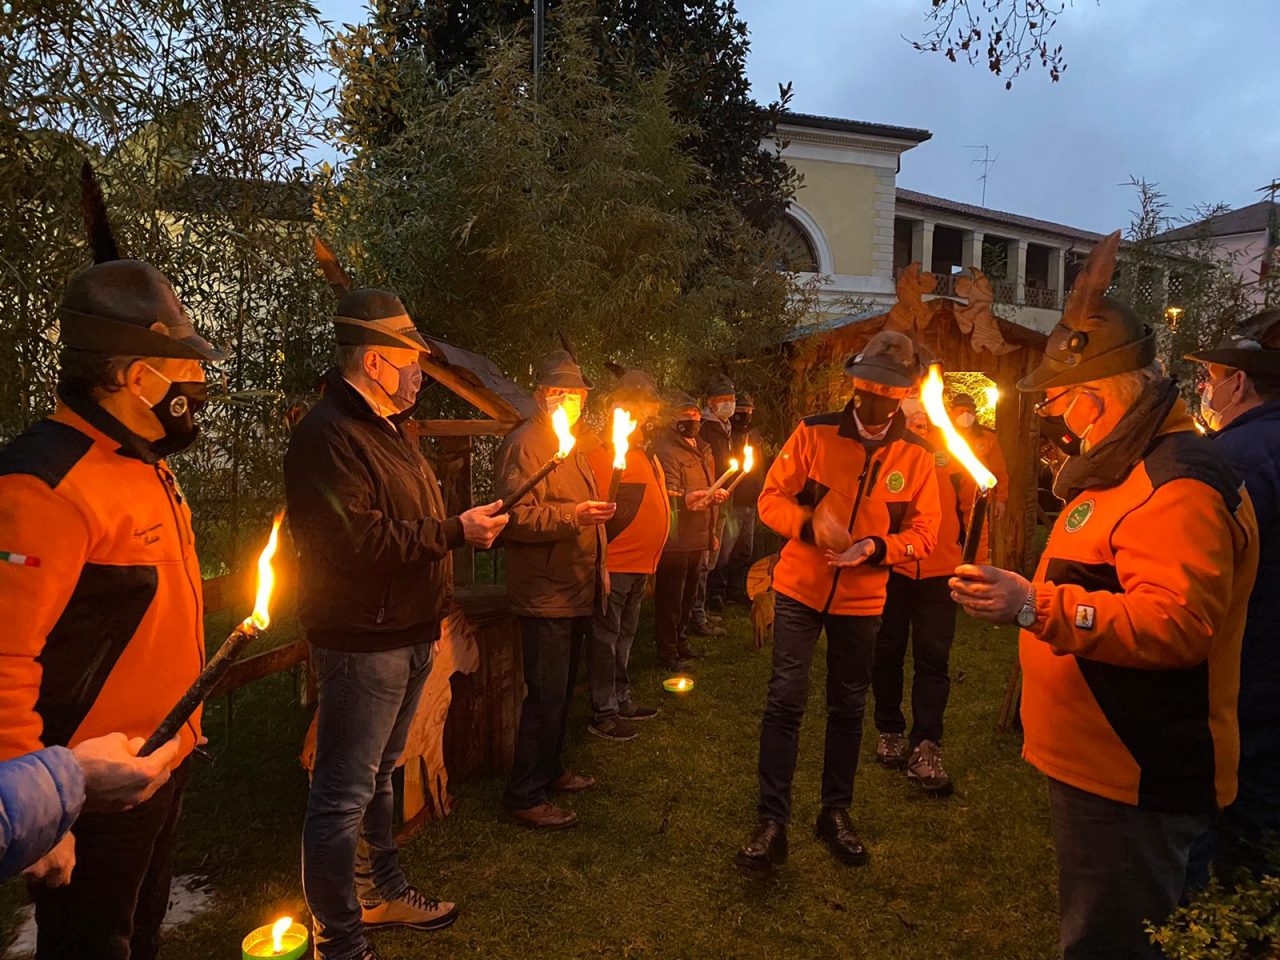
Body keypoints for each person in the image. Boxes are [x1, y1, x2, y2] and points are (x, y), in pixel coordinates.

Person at [949, 233, 1259, 959]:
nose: (1058, 416)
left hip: (1138, 774)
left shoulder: (1177, 483)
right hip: (1098, 767)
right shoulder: (1125, 470)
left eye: (1062, 402)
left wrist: (1033, 605)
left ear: (1099, 394)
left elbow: (1176, 625)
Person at [0, 163, 223, 960]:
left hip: (160, 766)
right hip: (93, 791)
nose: (198, 383)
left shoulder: (142, 461)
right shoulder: (46, 484)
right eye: (186, 366)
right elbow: (5, 660)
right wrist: (36, 814)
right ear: (137, 377)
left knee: (143, 935)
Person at [287, 243, 508, 960]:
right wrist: (455, 531)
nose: (419, 370)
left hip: (409, 631)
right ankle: (338, 939)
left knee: (381, 777)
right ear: (374, 360)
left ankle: (380, 893)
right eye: (409, 357)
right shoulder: (325, 436)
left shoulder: (386, 429)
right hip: (361, 642)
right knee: (340, 797)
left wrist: (457, 550)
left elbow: (409, 527)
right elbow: (359, 543)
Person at [735, 331, 940, 873]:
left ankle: (835, 812)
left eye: (884, 393)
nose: (870, 402)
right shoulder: (814, 433)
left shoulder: (917, 458)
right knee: (785, 699)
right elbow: (770, 498)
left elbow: (926, 534)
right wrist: (807, 526)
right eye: (864, 388)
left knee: (849, 706)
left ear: (902, 396)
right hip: (800, 588)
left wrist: (876, 548)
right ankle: (771, 820)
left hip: (863, 600)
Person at [496, 349, 613, 830]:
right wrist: (572, 516)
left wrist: (597, 545)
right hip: (546, 592)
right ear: (547, 396)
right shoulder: (526, 444)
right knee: (544, 694)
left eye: (582, 396)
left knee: (563, 691)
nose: (578, 403)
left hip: (575, 585)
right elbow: (513, 515)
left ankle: (552, 769)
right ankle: (523, 792)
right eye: (571, 395)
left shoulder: (569, 444)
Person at [1183, 309, 1280, 886]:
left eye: (1208, 377)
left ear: (1237, 382)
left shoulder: (1229, 461)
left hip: (1248, 662)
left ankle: (1225, 917)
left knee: (1229, 798)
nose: (1203, 389)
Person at [872, 395, 971, 797]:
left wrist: (972, 561)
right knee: (887, 651)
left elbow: (970, 505)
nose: (921, 421)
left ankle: (926, 744)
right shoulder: (885, 451)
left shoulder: (952, 450)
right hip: (891, 569)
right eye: (912, 415)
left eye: (925, 414)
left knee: (933, 658)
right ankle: (890, 729)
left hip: (941, 572)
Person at [584, 365, 669, 742]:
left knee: (625, 636)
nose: (648, 416)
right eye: (642, 408)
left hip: (640, 565)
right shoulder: (603, 453)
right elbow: (595, 513)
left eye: (650, 408)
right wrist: (599, 561)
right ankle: (603, 711)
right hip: (614, 565)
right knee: (606, 639)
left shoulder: (644, 453)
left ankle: (622, 698)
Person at [1, 734, 181, 880]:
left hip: (149, 771)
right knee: (98, 914)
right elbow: (8, 700)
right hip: (93, 793)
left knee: (150, 898)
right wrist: (44, 819)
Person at [653, 392, 726, 672]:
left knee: (689, 592)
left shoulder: (704, 449)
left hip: (699, 533)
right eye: (686, 415)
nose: (692, 419)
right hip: (677, 536)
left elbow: (708, 484)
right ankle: (667, 651)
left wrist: (714, 497)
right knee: (672, 595)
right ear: (674, 419)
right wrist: (687, 497)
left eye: (695, 414)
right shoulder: (666, 450)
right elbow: (667, 491)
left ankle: (681, 640)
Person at [690, 372, 737, 634]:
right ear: (710, 402)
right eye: (723, 399)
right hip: (707, 498)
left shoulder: (724, 428)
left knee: (712, 557)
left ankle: (701, 610)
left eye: (731, 398)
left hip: (720, 500)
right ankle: (696, 615)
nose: (729, 404)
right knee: (704, 558)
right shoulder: (706, 430)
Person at [717, 392, 762, 606]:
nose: (746, 415)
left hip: (750, 501)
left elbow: (760, 465)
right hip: (733, 501)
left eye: (750, 411)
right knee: (724, 552)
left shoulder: (754, 437)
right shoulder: (727, 437)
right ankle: (717, 592)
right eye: (742, 411)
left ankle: (736, 589)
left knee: (745, 550)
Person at [949, 392, 1009, 547]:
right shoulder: (943, 436)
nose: (966, 415)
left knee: (976, 541)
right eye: (961, 411)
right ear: (952, 412)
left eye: (969, 411)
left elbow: (999, 470)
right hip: (947, 496)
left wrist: (1000, 499)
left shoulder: (987, 437)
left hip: (976, 498)